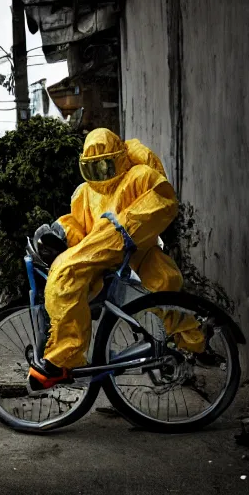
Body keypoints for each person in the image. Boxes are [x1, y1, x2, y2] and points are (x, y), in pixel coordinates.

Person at [29, 128, 205, 390]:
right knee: (72, 276)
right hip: (112, 250)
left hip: (133, 246)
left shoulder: (139, 177)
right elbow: (81, 223)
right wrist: (62, 232)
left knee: (163, 286)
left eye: (105, 166)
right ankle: (65, 354)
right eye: (93, 169)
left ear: (120, 159)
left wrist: (119, 229)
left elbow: (161, 204)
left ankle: (63, 358)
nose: (100, 175)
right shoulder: (86, 193)